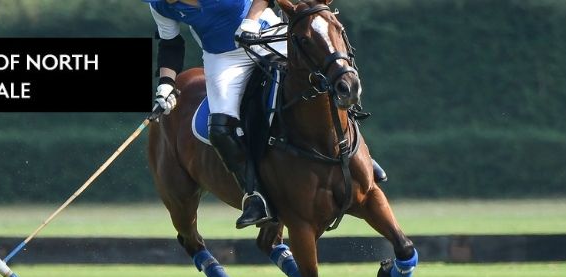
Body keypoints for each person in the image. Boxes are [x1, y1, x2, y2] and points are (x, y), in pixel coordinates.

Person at [147, 0, 386, 229]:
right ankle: (255, 195)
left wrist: (250, 22)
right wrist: (166, 84)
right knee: (220, 127)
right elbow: (170, 44)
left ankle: (359, 157)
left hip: (268, 35)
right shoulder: (160, 5)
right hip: (224, 59)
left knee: (328, 78)